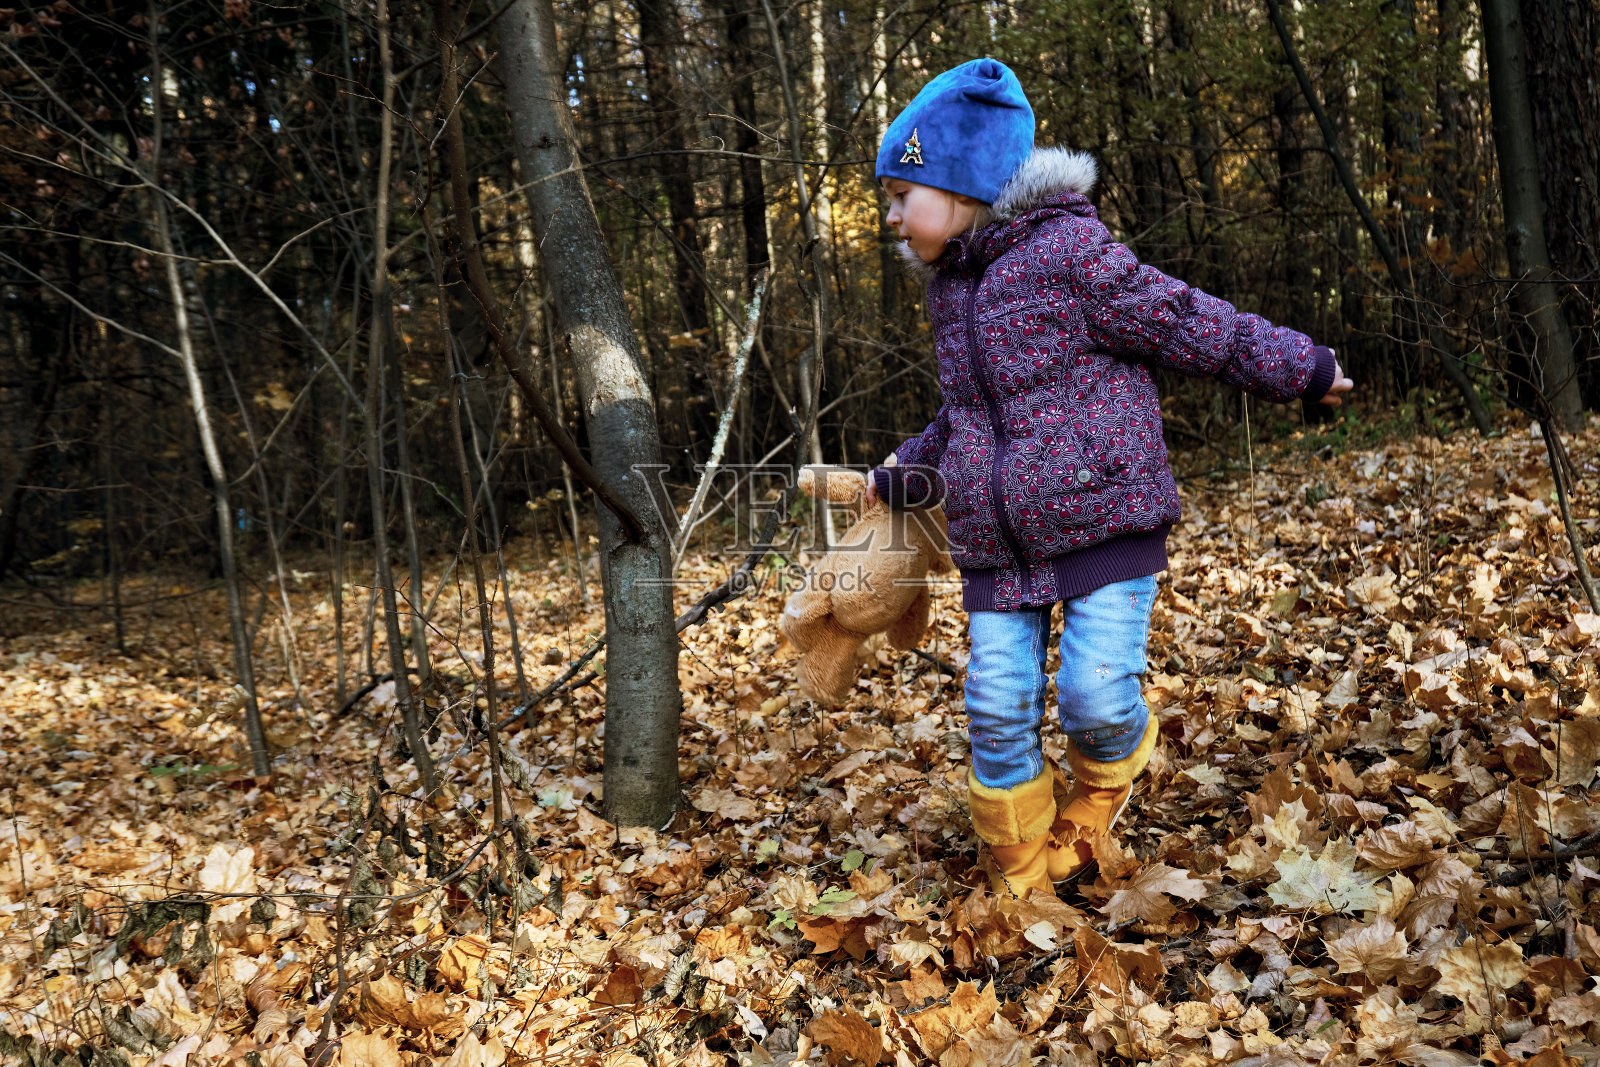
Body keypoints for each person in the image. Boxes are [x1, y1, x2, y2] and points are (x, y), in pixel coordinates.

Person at [863, 58, 1353, 902]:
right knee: (995, 702)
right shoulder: (951, 294)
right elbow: (965, 415)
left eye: (905, 191)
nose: (895, 214)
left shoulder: (1073, 255)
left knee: (1094, 694)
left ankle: (1101, 782)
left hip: (1105, 515)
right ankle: (1018, 869)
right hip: (999, 547)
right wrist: (909, 469)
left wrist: (1298, 367)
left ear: (964, 182)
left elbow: (1187, 322)